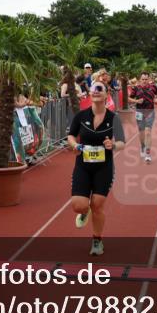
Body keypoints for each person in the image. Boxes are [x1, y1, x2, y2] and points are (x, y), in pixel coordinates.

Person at [66, 81, 125, 256]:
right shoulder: (80, 116)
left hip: (104, 167)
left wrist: (112, 145)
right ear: (90, 94)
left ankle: (97, 240)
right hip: (83, 166)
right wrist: (74, 145)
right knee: (78, 206)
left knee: (97, 205)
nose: (96, 91)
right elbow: (70, 135)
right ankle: (85, 211)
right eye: (94, 89)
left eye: (100, 89)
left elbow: (122, 142)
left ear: (107, 94)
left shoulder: (114, 118)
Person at [129, 71, 157, 163]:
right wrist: (137, 101)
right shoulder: (136, 88)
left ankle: (148, 153)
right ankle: (142, 146)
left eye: (146, 79)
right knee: (141, 132)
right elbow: (129, 99)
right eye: (143, 79)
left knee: (148, 132)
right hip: (139, 112)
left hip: (150, 112)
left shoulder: (153, 87)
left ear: (149, 79)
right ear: (139, 79)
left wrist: (156, 99)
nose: (145, 81)